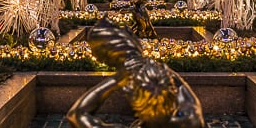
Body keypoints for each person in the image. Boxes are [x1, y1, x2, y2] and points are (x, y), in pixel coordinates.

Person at [67, 16, 204, 128]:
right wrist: (153, 66)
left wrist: (118, 78)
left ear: (133, 100)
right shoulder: (190, 120)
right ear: (171, 90)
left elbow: (76, 114)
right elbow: (181, 89)